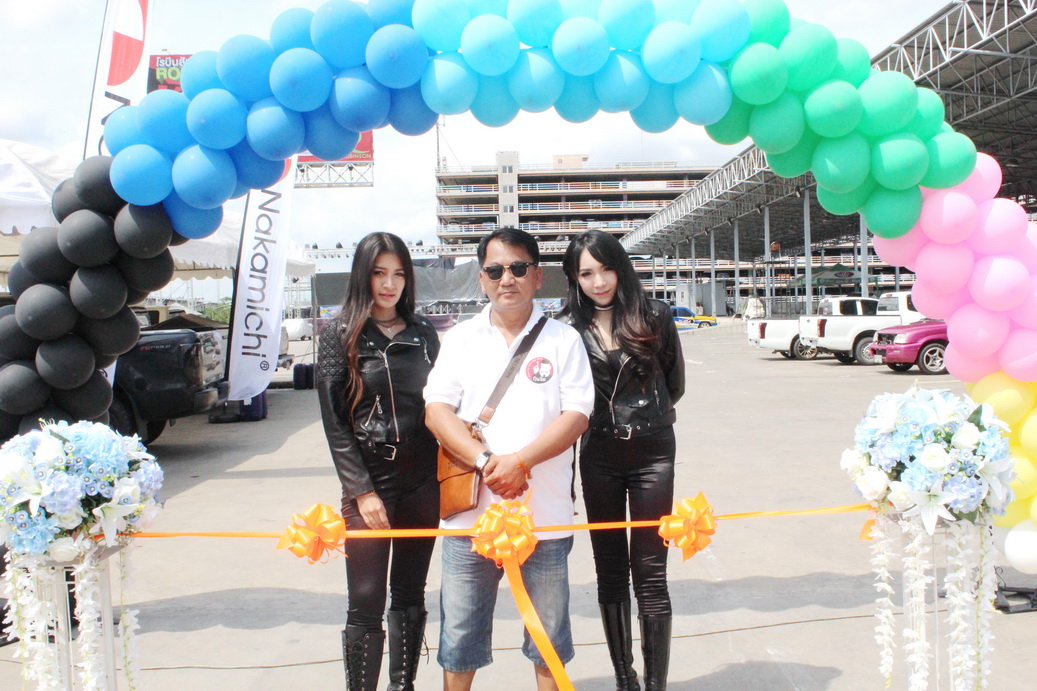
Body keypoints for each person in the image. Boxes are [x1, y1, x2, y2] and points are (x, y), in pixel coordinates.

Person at [423, 227, 594, 691]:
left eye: (519, 268)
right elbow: (437, 411)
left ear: (538, 276)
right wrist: (486, 462)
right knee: (459, 639)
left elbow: (577, 414)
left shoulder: (563, 340)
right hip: (469, 520)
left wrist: (521, 461)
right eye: (495, 270)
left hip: (545, 517)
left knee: (548, 640)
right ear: (481, 279)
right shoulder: (460, 338)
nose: (507, 279)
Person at [559, 230, 686, 691]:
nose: (598, 282)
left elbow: (674, 385)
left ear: (621, 268)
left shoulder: (655, 316)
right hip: (599, 454)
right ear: (575, 279)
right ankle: (625, 678)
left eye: (606, 269)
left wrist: (643, 417)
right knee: (610, 571)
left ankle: (655, 684)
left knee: (652, 573)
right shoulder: (566, 329)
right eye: (586, 274)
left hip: (653, 453)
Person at [316, 232, 441, 691]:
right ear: (362, 276)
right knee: (366, 599)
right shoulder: (338, 334)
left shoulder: (423, 333)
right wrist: (361, 491)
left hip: (423, 480)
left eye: (399, 274)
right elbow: (335, 423)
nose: (390, 285)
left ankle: (402, 686)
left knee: (410, 592)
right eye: (379, 273)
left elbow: (444, 402)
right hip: (371, 479)